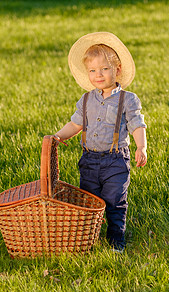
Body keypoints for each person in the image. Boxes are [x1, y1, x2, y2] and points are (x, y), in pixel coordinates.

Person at [55, 32, 147, 253]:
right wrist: (58, 137)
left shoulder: (128, 99)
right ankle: (90, 236)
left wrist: (141, 146)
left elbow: (137, 124)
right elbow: (75, 124)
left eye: (104, 69)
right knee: (91, 200)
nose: (98, 74)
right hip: (89, 160)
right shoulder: (86, 99)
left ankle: (116, 236)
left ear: (117, 70)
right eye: (93, 70)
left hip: (115, 161)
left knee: (115, 200)